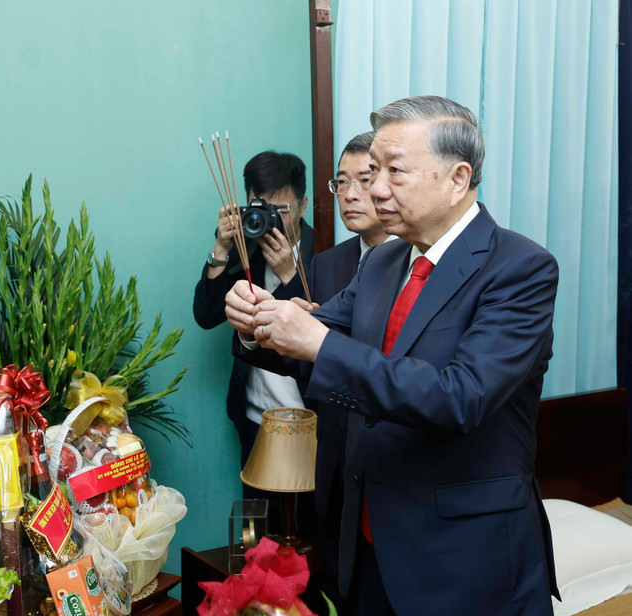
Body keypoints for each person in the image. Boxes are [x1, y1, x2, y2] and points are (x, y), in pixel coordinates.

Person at [225, 96, 560, 615]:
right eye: (372, 170)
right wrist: (259, 323)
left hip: (463, 555)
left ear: (457, 178)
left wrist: (315, 339)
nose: (375, 189)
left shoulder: (520, 269)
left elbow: (461, 396)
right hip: (368, 540)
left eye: (394, 171)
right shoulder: (383, 262)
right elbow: (316, 338)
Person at [193, 150, 313, 508]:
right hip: (255, 421)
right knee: (257, 532)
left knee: (310, 532)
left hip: (311, 423)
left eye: (283, 210)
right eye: (260, 209)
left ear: (303, 205)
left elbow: (328, 331)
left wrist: (292, 275)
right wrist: (221, 245)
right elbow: (207, 314)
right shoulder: (248, 249)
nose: (270, 221)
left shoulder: (327, 254)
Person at [311, 130, 389, 614]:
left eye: (366, 179)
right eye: (342, 182)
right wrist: (268, 324)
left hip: (392, 461)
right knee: (339, 583)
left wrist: (316, 339)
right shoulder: (327, 263)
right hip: (336, 452)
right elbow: (308, 370)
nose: (354, 193)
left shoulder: (415, 262)